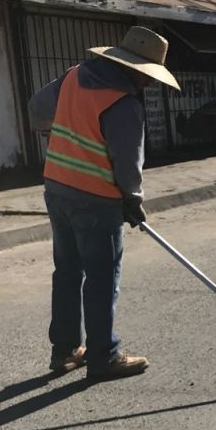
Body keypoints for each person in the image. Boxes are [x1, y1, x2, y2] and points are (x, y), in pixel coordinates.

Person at [28, 26, 180, 381]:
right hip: (96, 200)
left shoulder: (73, 76)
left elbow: (37, 109)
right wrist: (133, 200)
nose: (149, 84)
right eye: (147, 77)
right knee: (101, 277)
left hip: (57, 187)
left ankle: (65, 351)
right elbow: (127, 162)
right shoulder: (122, 103)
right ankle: (103, 356)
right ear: (135, 70)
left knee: (67, 271)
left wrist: (62, 135)